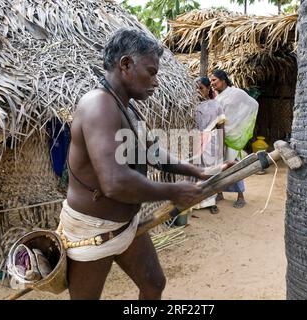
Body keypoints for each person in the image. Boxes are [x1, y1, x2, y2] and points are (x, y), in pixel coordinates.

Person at [60, 28, 216, 300]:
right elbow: (114, 182)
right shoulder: (99, 105)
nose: (155, 81)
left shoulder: (127, 107)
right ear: (126, 65)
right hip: (93, 229)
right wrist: (173, 191)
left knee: (153, 284)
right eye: (151, 72)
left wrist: (197, 171)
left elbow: (151, 153)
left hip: (126, 224)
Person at [210, 69, 259, 208]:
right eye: (211, 81)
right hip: (220, 135)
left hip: (233, 135)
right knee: (220, 165)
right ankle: (219, 193)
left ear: (223, 80)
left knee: (233, 164)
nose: (212, 83)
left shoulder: (236, 93)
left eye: (214, 80)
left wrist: (239, 122)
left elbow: (253, 104)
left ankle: (240, 196)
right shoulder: (217, 98)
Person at [194, 77, 226, 214]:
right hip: (195, 140)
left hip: (211, 142)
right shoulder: (191, 105)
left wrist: (222, 145)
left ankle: (210, 202)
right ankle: (196, 201)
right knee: (196, 171)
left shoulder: (216, 105)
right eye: (196, 89)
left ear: (208, 89)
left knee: (212, 170)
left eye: (201, 88)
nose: (198, 92)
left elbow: (221, 126)